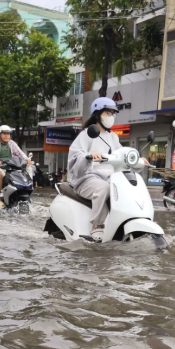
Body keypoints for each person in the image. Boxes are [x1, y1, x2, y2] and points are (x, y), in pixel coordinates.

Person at [67, 97, 125, 241]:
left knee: (123, 187)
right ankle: (97, 226)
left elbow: (122, 153)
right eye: (108, 113)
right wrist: (88, 155)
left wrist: (136, 157)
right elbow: (75, 155)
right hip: (86, 178)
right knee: (104, 188)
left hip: (108, 176)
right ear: (97, 114)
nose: (112, 117)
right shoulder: (86, 134)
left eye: (113, 113)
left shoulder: (113, 137)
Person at [0, 125, 29, 208]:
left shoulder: (12, 143)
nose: (6, 135)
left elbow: (20, 153)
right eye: (4, 133)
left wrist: (27, 160)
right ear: (0, 134)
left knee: (23, 176)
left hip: (11, 167)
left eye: (8, 134)